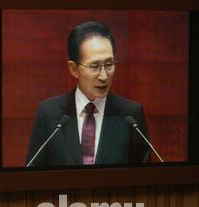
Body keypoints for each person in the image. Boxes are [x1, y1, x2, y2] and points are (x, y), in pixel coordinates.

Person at [26, 21, 150, 167]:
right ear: (74, 69)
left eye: (109, 65)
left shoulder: (130, 116)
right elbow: (33, 174)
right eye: (95, 66)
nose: (104, 76)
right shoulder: (49, 113)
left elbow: (143, 178)